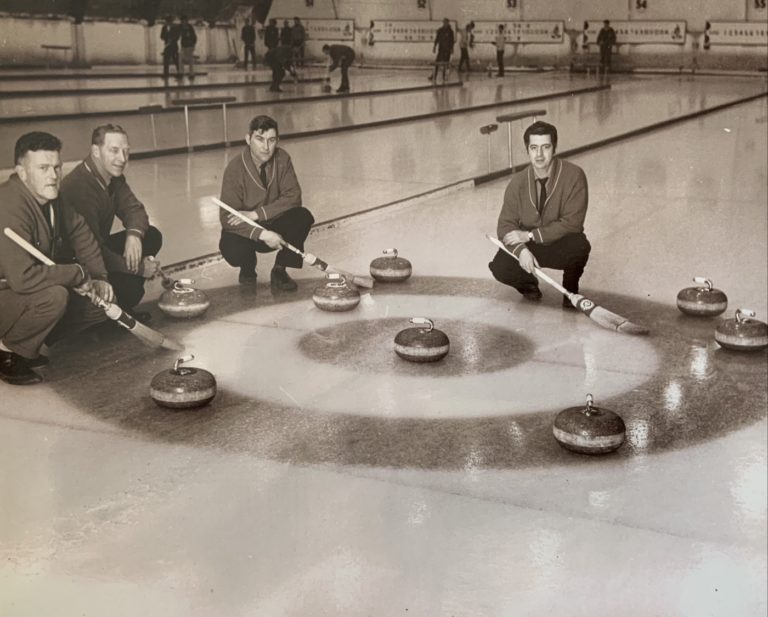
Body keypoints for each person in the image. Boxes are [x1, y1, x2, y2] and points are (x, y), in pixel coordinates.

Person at [0, 132, 114, 385]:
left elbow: (81, 232)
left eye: (56, 167)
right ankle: (8, 353)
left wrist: (98, 277)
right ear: (22, 171)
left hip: (17, 293)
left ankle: (29, 342)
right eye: (43, 168)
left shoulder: (51, 197)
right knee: (54, 297)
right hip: (10, 290)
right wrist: (78, 273)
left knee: (99, 304)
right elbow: (22, 279)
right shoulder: (9, 206)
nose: (53, 176)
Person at [59, 124, 162, 319]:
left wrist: (134, 235)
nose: (122, 159)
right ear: (95, 151)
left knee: (151, 235)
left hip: (97, 252)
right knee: (131, 290)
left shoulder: (113, 178)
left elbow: (135, 209)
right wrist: (140, 269)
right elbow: (90, 250)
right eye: (114, 151)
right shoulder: (79, 188)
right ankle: (107, 316)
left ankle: (120, 300)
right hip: (79, 267)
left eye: (126, 151)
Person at [489, 121, 591, 308]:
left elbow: (573, 223)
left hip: (561, 242)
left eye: (545, 147)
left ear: (554, 147)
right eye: (534, 147)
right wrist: (522, 250)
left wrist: (529, 235)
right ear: (527, 149)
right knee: (500, 266)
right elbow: (505, 226)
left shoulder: (574, 175)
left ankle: (570, 292)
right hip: (531, 246)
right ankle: (529, 285)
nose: (539, 154)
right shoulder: (517, 182)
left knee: (580, 246)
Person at [218, 115, 314, 293]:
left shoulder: (282, 159)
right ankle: (247, 268)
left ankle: (280, 270)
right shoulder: (234, 168)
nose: (266, 147)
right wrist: (262, 234)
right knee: (232, 247)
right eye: (259, 139)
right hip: (248, 232)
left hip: (274, 222)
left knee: (302, 216)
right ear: (248, 139)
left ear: (277, 141)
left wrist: (257, 214)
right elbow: (226, 218)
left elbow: (293, 196)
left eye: (271, 140)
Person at [431, 18, 454, 82]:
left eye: (446, 22)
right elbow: (437, 39)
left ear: (448, 23)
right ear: (443, 23)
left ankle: (444, 77)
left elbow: (452, 41)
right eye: (444, 22)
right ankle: (434, 76)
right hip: (441, 49)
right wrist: (434, 47)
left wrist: (452, 49)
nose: (445, 23)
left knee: (445, 64)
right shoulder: (440, 30)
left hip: (447, 50)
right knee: (437, 63)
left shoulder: (450, 31)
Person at [160, 15, 180, 79]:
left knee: (176, 60)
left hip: (174, 45)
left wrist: (172, 39)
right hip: (167, 46)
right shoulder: (164, 28)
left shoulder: (176, 27)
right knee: (166, 60)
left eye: (169, 21)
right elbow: (161, 36)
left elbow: (177, 36)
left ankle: (179, 72)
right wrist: (166, 38)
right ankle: (166, 74)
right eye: (167, 21)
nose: (168, 22)